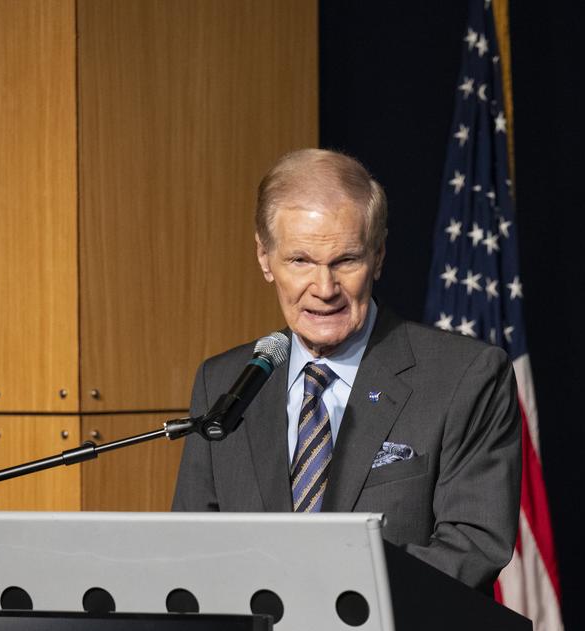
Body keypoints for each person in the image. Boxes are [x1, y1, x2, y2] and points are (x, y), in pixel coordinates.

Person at [172, 149, 521, 592]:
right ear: (265, 257)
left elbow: (473, 545)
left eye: (346, 261)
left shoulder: (465, 377)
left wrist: (329, 596)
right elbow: (191, 545)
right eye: (300, 261)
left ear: (377, 256)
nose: (324, 289)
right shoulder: (224, 384)